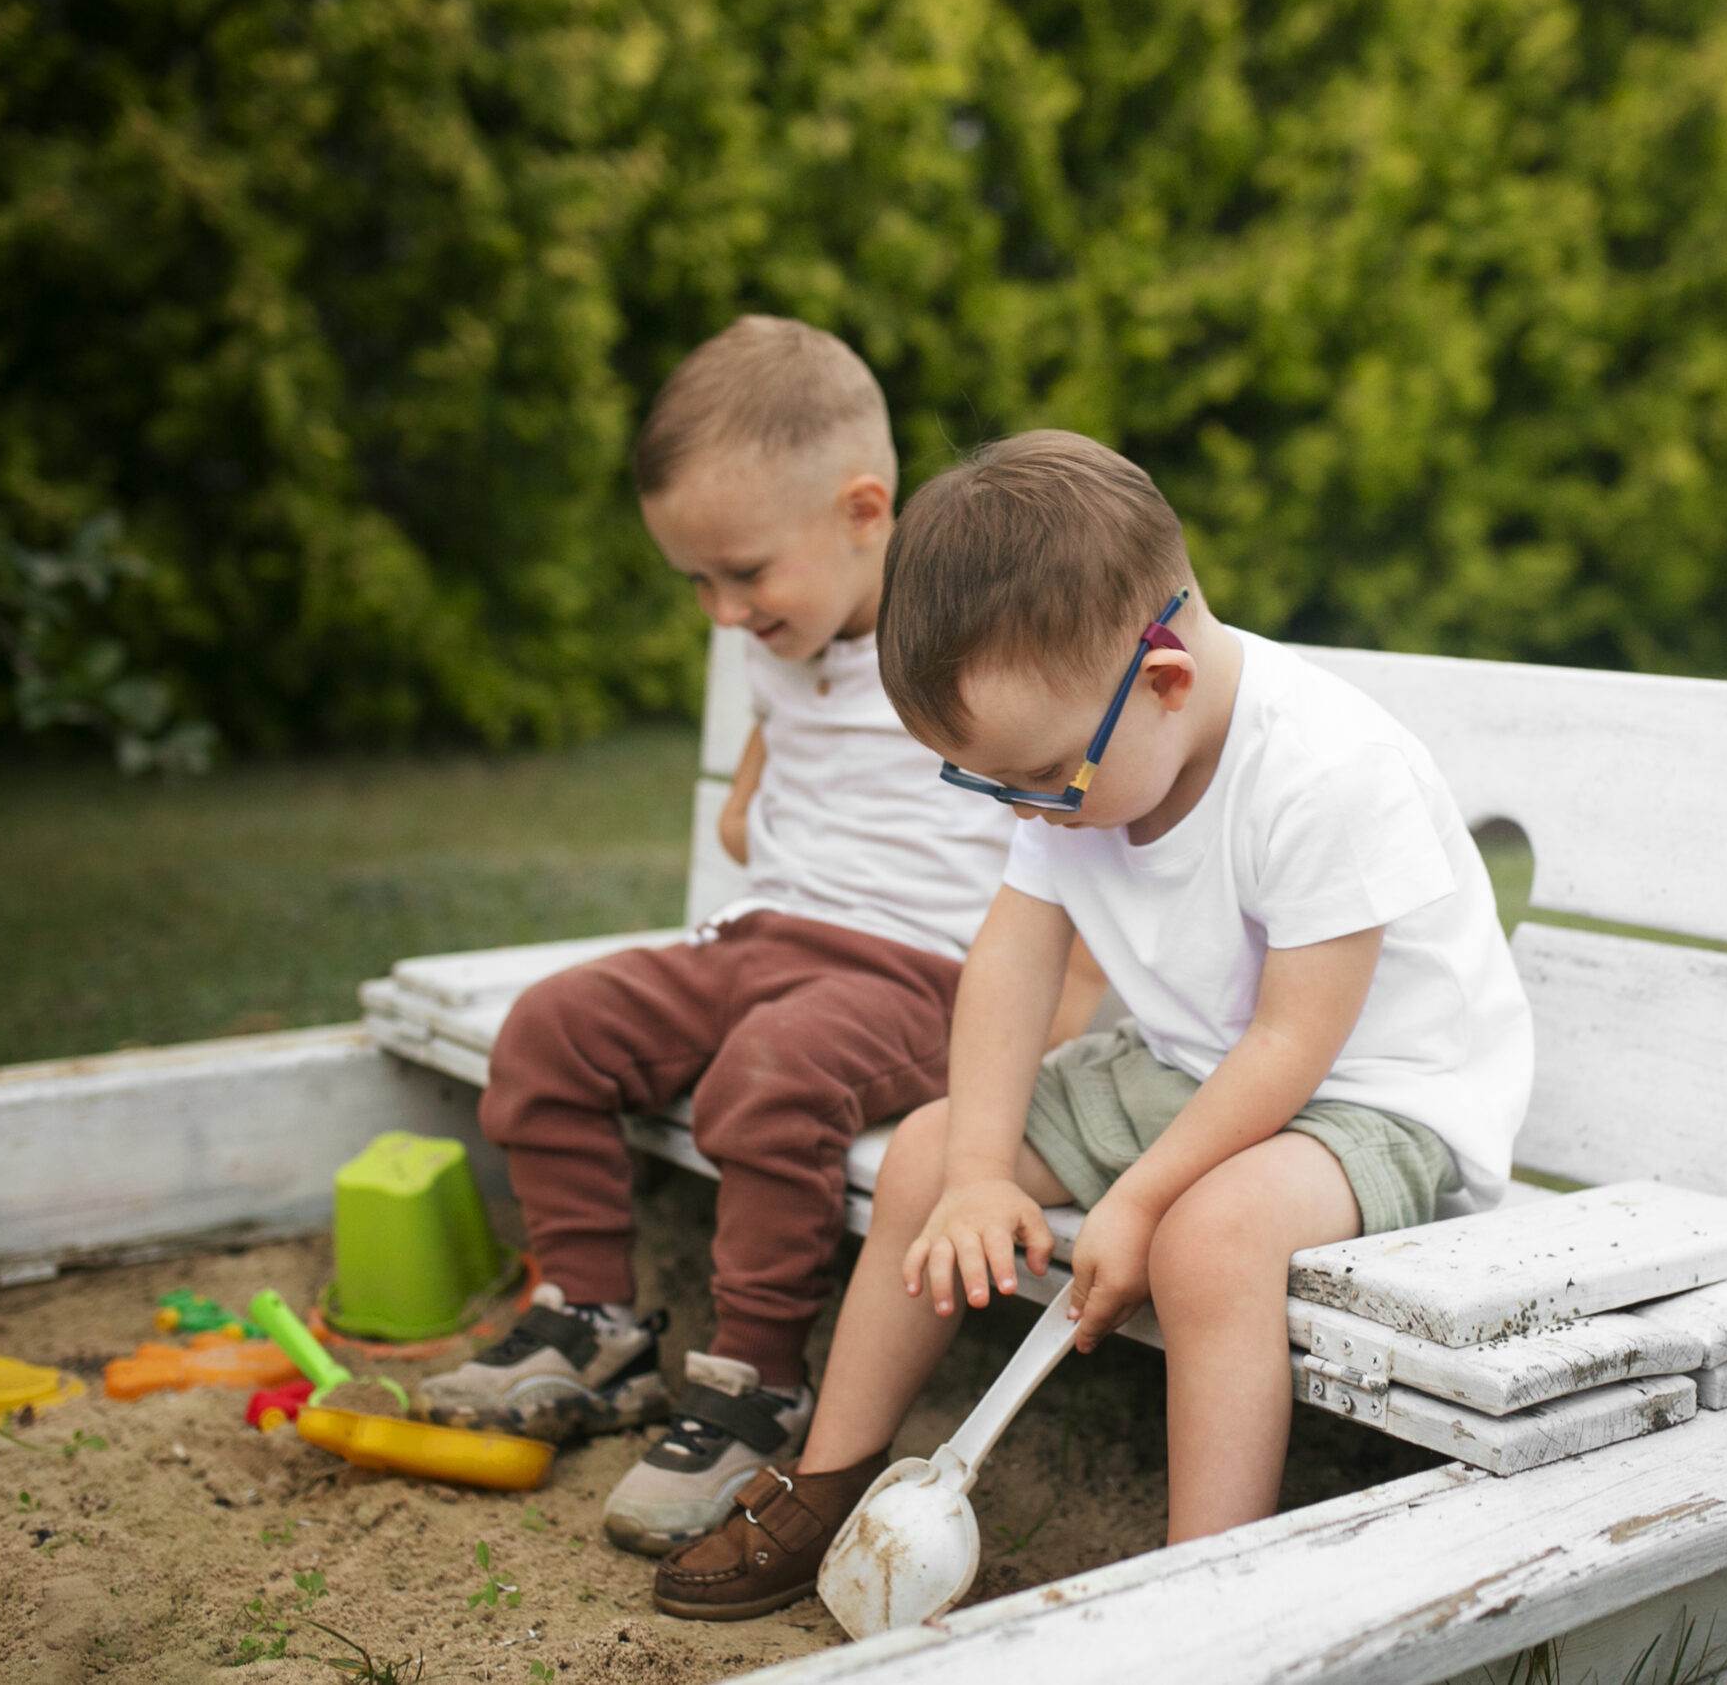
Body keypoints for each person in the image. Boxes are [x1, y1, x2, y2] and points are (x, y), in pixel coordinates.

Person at [651, 429, 1534, 1620]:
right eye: (992, 782)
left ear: (1161, 679)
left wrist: (1137, 1198)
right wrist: (973, 1172)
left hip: (1376, 1097)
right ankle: (829, 1481)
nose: (1028, 810)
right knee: (922, 1152)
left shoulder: (1326, 769)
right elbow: (1013, 958)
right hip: (1184, 1065)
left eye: (1040, 780)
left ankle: (1198, 1588)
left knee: (1208, 1241)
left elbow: (1291, 1043)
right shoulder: (1080, 750)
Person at [415, 321, 1103, 1557]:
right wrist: (747, 792)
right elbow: (792, 712)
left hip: (913, 970)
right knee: (553, 1027)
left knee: (772, 1075)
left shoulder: (976, 643)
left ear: (862, 510)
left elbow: (1081, 828)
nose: (722, 612)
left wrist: (1055, 1021)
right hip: (761, 934)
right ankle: (591, 1323)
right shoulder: (786, 628)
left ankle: (751, 1382)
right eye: (697, 583)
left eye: (741, 575)